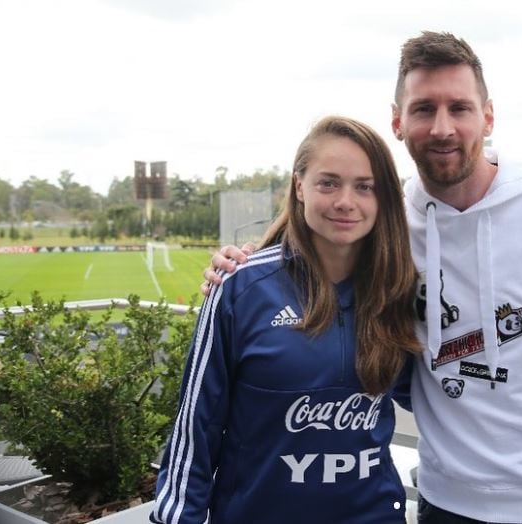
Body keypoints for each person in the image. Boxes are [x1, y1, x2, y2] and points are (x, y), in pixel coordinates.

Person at [203, 32, 522, 524]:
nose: (442, 128)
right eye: (423, 109)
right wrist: (242, 264)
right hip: (443, 500)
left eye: (460, 108)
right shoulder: (389, 224)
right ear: (397, 121)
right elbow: (315, 252)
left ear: (488, 116)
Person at [152, 116, 422, 524]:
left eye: (364, 186)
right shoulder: (240, 289)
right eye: (328, 183)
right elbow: (196, 429)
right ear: (299, 186)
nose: (346, 201)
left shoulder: (396, 290)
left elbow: (422, 394)